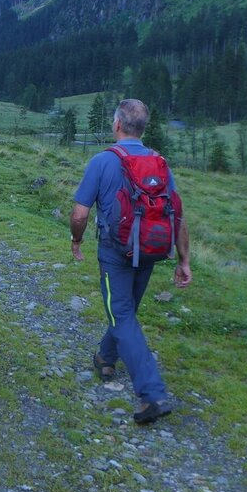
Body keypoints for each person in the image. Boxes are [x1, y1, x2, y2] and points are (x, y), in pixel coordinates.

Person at [69, 99, 191, 425]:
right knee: (125, 310)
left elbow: (80, 213)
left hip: (115, 252)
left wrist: (76, 239)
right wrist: (184, 260)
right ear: (143, 128)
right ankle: (106, 357)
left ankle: (151, 393)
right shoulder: (160, 163)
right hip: (151, 250)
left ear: (117, 125)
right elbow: (176, 213)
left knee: (121, 313)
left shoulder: (102, 161)